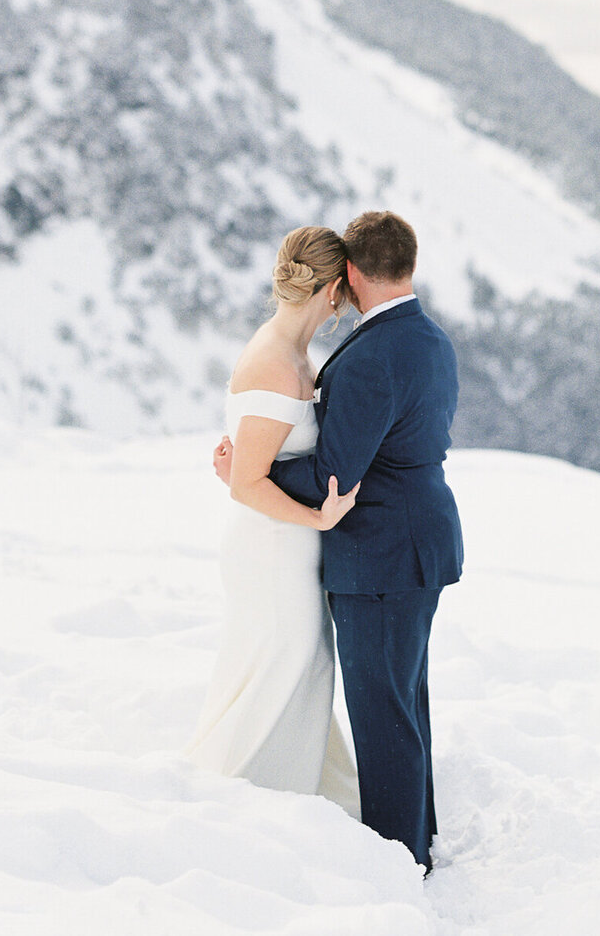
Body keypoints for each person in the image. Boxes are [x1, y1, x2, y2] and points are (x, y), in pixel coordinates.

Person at [219, 211, 464, 874]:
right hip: (421, 541)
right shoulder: (430, 338)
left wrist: (254, 468)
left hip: (380, 553)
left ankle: (396, 860)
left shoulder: (372, 356)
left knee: (383, 713)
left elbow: (335, 472)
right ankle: (418, 838)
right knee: (404, 701)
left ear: (352, 275)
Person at [187, 226, 360, 814]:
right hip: (273, 551)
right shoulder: (278, 364)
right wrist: (320, 518)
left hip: (282, 547)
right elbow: (247, 482)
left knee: (291, 667)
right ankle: (252, 799)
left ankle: (301, 792)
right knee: (287, 665)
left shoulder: (289, 353)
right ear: (334, 290)